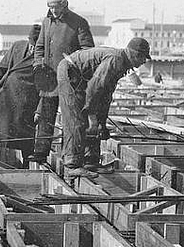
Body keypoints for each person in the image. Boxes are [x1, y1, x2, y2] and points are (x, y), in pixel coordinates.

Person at [56, 38, 151, 177]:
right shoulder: (116, 60)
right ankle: (72, 165)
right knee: (76, 120)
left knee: (93, 123)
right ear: (135, 54)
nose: (144, 62)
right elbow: (95, 87)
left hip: (80, 77)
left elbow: (105, 95)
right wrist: (91, 115)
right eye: (143, 58)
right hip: (70, 72)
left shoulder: (122, 63)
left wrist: (102, 122)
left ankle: (90, 162)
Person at [32, 0, 94, 163]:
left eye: (56, 7)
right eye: (50, 8)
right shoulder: (46, 22)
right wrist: (38, 64)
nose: (53, 11)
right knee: (45, 115)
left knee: (71, 119)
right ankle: (41, 152)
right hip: (49, 78)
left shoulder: (78, 23)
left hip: (70, 79)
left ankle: (71, 155)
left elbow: (87, 50)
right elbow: (40, 47)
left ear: (65, 4)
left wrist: (73, 65)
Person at [0, 24, 41, 166]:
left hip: (26, 99)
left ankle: (27, 163)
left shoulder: (44, 56)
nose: (33, 46)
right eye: (32, 42)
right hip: (4, 91)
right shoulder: (17, 46)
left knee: (24, 131)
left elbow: (45, 87)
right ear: (28, 39)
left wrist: (39, 110)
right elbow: (2, 68)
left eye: (37, 43)